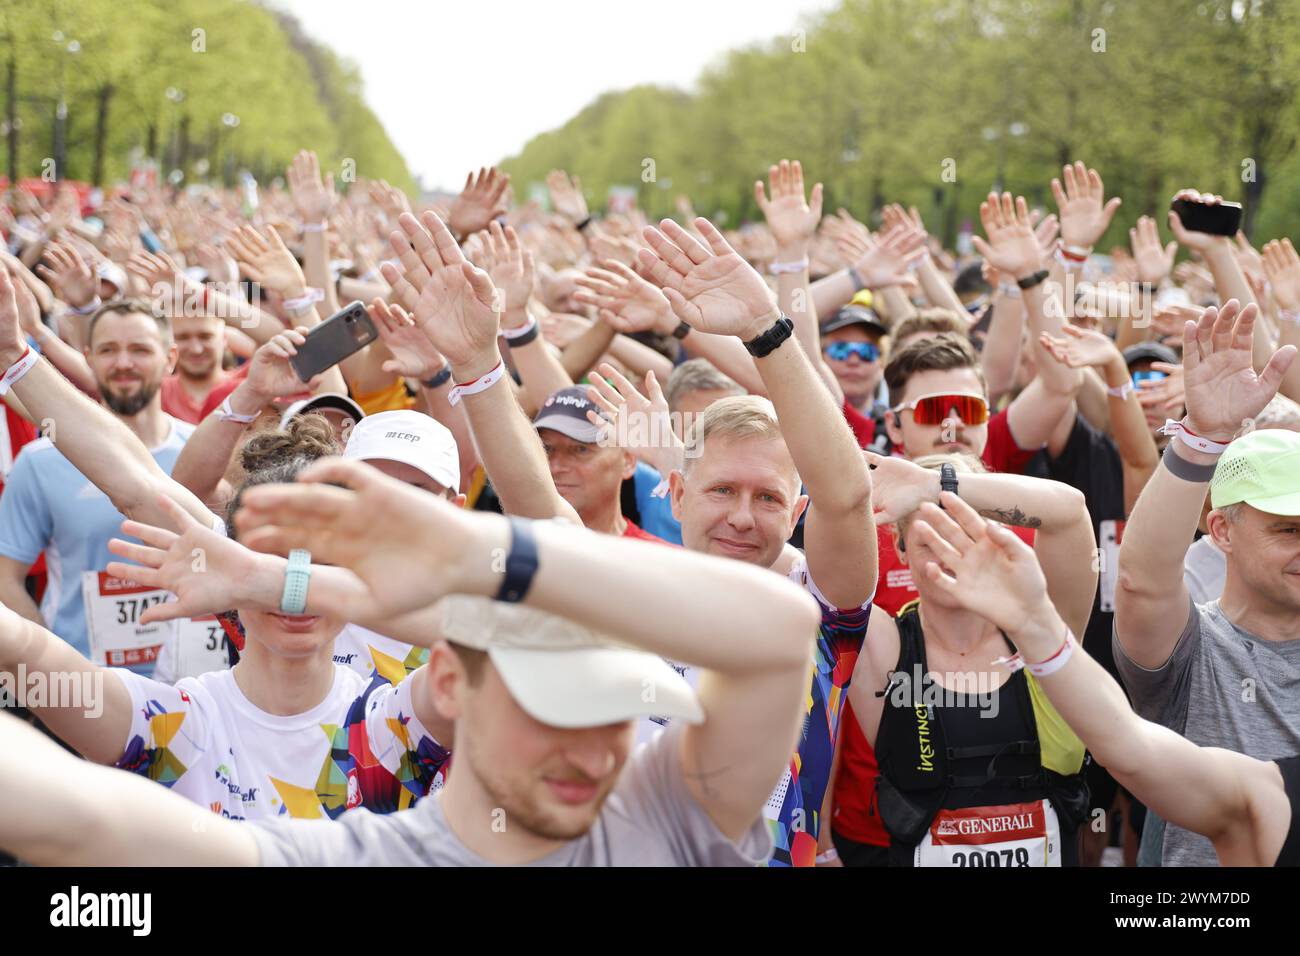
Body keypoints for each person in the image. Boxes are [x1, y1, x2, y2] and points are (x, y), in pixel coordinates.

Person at [0, 456, 821, 866]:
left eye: (613, 709)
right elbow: (79, 818)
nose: (595, 746)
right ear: (449, 683)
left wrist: (478, 546)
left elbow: (782, 630)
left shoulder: (653, 820)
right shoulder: (364, 853)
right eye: (553, 707)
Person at [592, 211, 877, 867]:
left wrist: (763, 330)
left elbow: (849, 492)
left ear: (798, 508)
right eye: (722, 491)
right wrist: (473, 368)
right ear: (678, 492)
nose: (744, 517)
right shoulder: (624, 594)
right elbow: (536, 502)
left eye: (769, 498)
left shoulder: (818, 608)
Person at [900, 490, 1300, 867]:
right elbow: (1129, 747)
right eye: (1287, 528)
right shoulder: (894, 640)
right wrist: (1036, 625)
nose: (949, 553)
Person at [1114, 297, 1300, 867]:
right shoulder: (1194, 649)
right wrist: (1203, 438)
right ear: (1221, 529)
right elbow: (1142, 582)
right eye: (1288, 529)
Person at [844, 447, 1095, 866]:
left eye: (963, 529)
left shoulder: (1043, 635)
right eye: (932, 534)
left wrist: (936, 487)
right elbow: (825, 558)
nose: (949, 550)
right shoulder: (883, 646)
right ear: (901, 549)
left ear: (996, 538)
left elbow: (1069, 511)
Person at [0, 296, 205, 673]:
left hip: (194, 692)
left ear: (170, 358)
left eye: (140, 349)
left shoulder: (204, 452)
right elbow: (6, 579)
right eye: (109, 350)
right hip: (89, 697)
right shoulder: (39, 462)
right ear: (88, 358)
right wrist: (52, 669)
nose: (123, 363)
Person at [160, 312, 231, 424]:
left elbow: (268, 337)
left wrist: (209, 299)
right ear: (169, 343)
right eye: (183, 338)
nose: (196, 349)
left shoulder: (246, 386)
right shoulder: (156, 391)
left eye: (205, 337)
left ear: (225, 339)